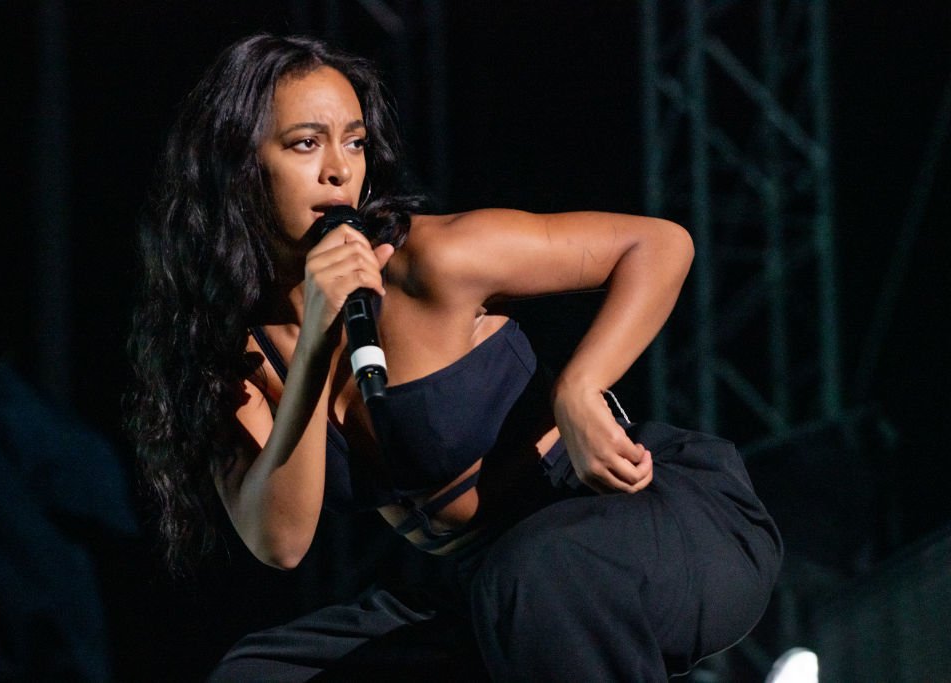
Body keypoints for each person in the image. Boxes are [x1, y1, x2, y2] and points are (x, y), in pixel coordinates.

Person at [128, 33, 782, 681]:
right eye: (305, 143)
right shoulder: (235, 360)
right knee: (264, 673)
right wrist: (314, 349)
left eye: (354, 142)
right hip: (495, 588)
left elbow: (660, 245)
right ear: (238, 166)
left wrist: (580, 387)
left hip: (657, 526)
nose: (339, 169)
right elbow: (282, 540)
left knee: (534, 576)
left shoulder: (428, 261)